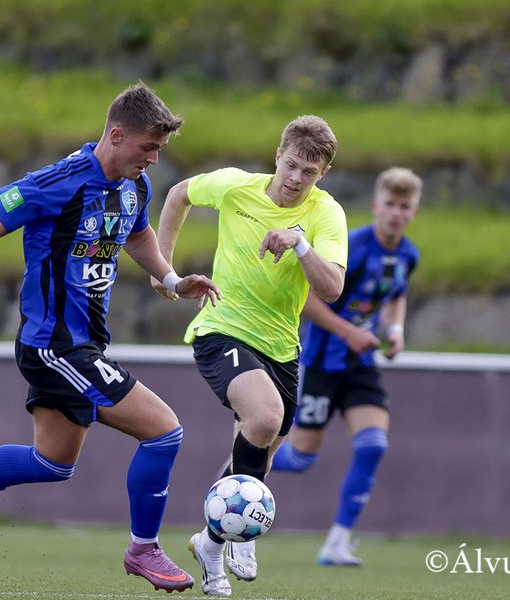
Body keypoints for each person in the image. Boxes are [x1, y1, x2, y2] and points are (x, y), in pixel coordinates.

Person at [0, 82, 221, 594]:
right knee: (164, 431)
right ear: (116, 135)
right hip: (54, 345)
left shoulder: (134, 186)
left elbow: (136, 234)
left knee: (52, 463)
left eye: (159, 149)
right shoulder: (58, 180)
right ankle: (143, 549)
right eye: (148, 147)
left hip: (83, 345)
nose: (154, 159)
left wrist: (172, 280)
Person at [153, 115, 348, 596]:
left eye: (309, 172)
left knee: (260, 449)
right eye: (291, 165)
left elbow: (332, 288)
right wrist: (163, 269)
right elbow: (178, 194)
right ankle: (244, 534)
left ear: (323, 173)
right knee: (264, 418)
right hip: (221, 327)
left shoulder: (326, 213)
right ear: (278, 156)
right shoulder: (236, 186)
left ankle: (210, 545)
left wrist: (300, 242)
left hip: (281, 348)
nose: (296, 178)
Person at [270, 167, 421, 566]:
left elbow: (395, 295)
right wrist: (349, 332)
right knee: (300, 459)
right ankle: (245, 459)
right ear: (376, 206)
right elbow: (308, 298)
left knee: (373, 445)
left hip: (360, 365)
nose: (397, 213)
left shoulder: (408, 255)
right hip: (322, 361)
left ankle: (337, 542)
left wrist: (395, 330)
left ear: (414, 212)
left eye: (405, 207)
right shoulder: (353, 246)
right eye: (390, 204)